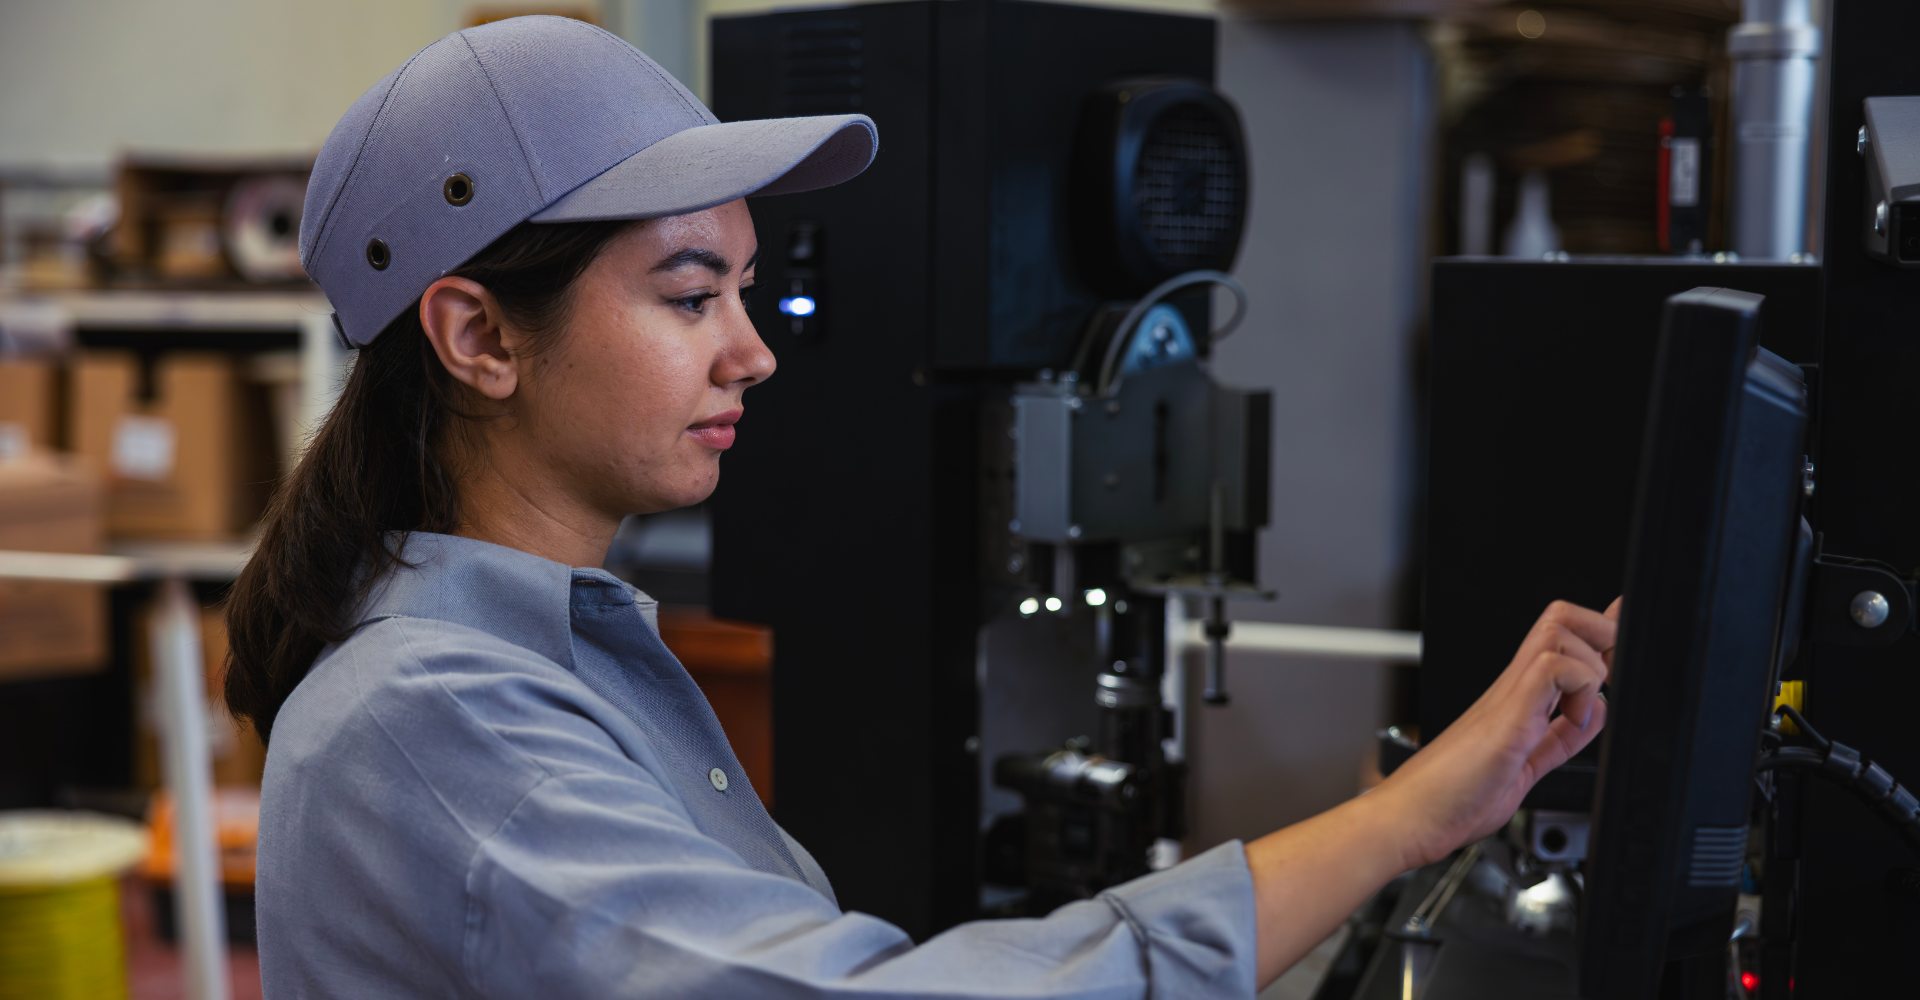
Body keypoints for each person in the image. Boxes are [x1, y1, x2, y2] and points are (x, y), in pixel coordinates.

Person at [223, 16, 1614, 998]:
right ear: (477, 337)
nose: (753, 350)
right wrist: (1410, 818)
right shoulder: (437, 719)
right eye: (691, 294)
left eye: (750, 292)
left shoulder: (558, 657)